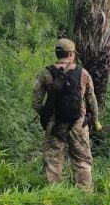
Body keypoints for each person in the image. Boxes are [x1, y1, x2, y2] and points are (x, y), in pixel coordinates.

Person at [32, 38, 102, 192]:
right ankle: (84, 195)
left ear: (57, 53)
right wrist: (95, 121)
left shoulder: (45, 73)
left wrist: (47, 117)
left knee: (53, 160)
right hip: (79, 123)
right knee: (82, 160)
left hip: (56, 124)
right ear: (71, 54)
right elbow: (92, 101)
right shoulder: (83, 73)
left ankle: (55, 195)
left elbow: (36, 102)